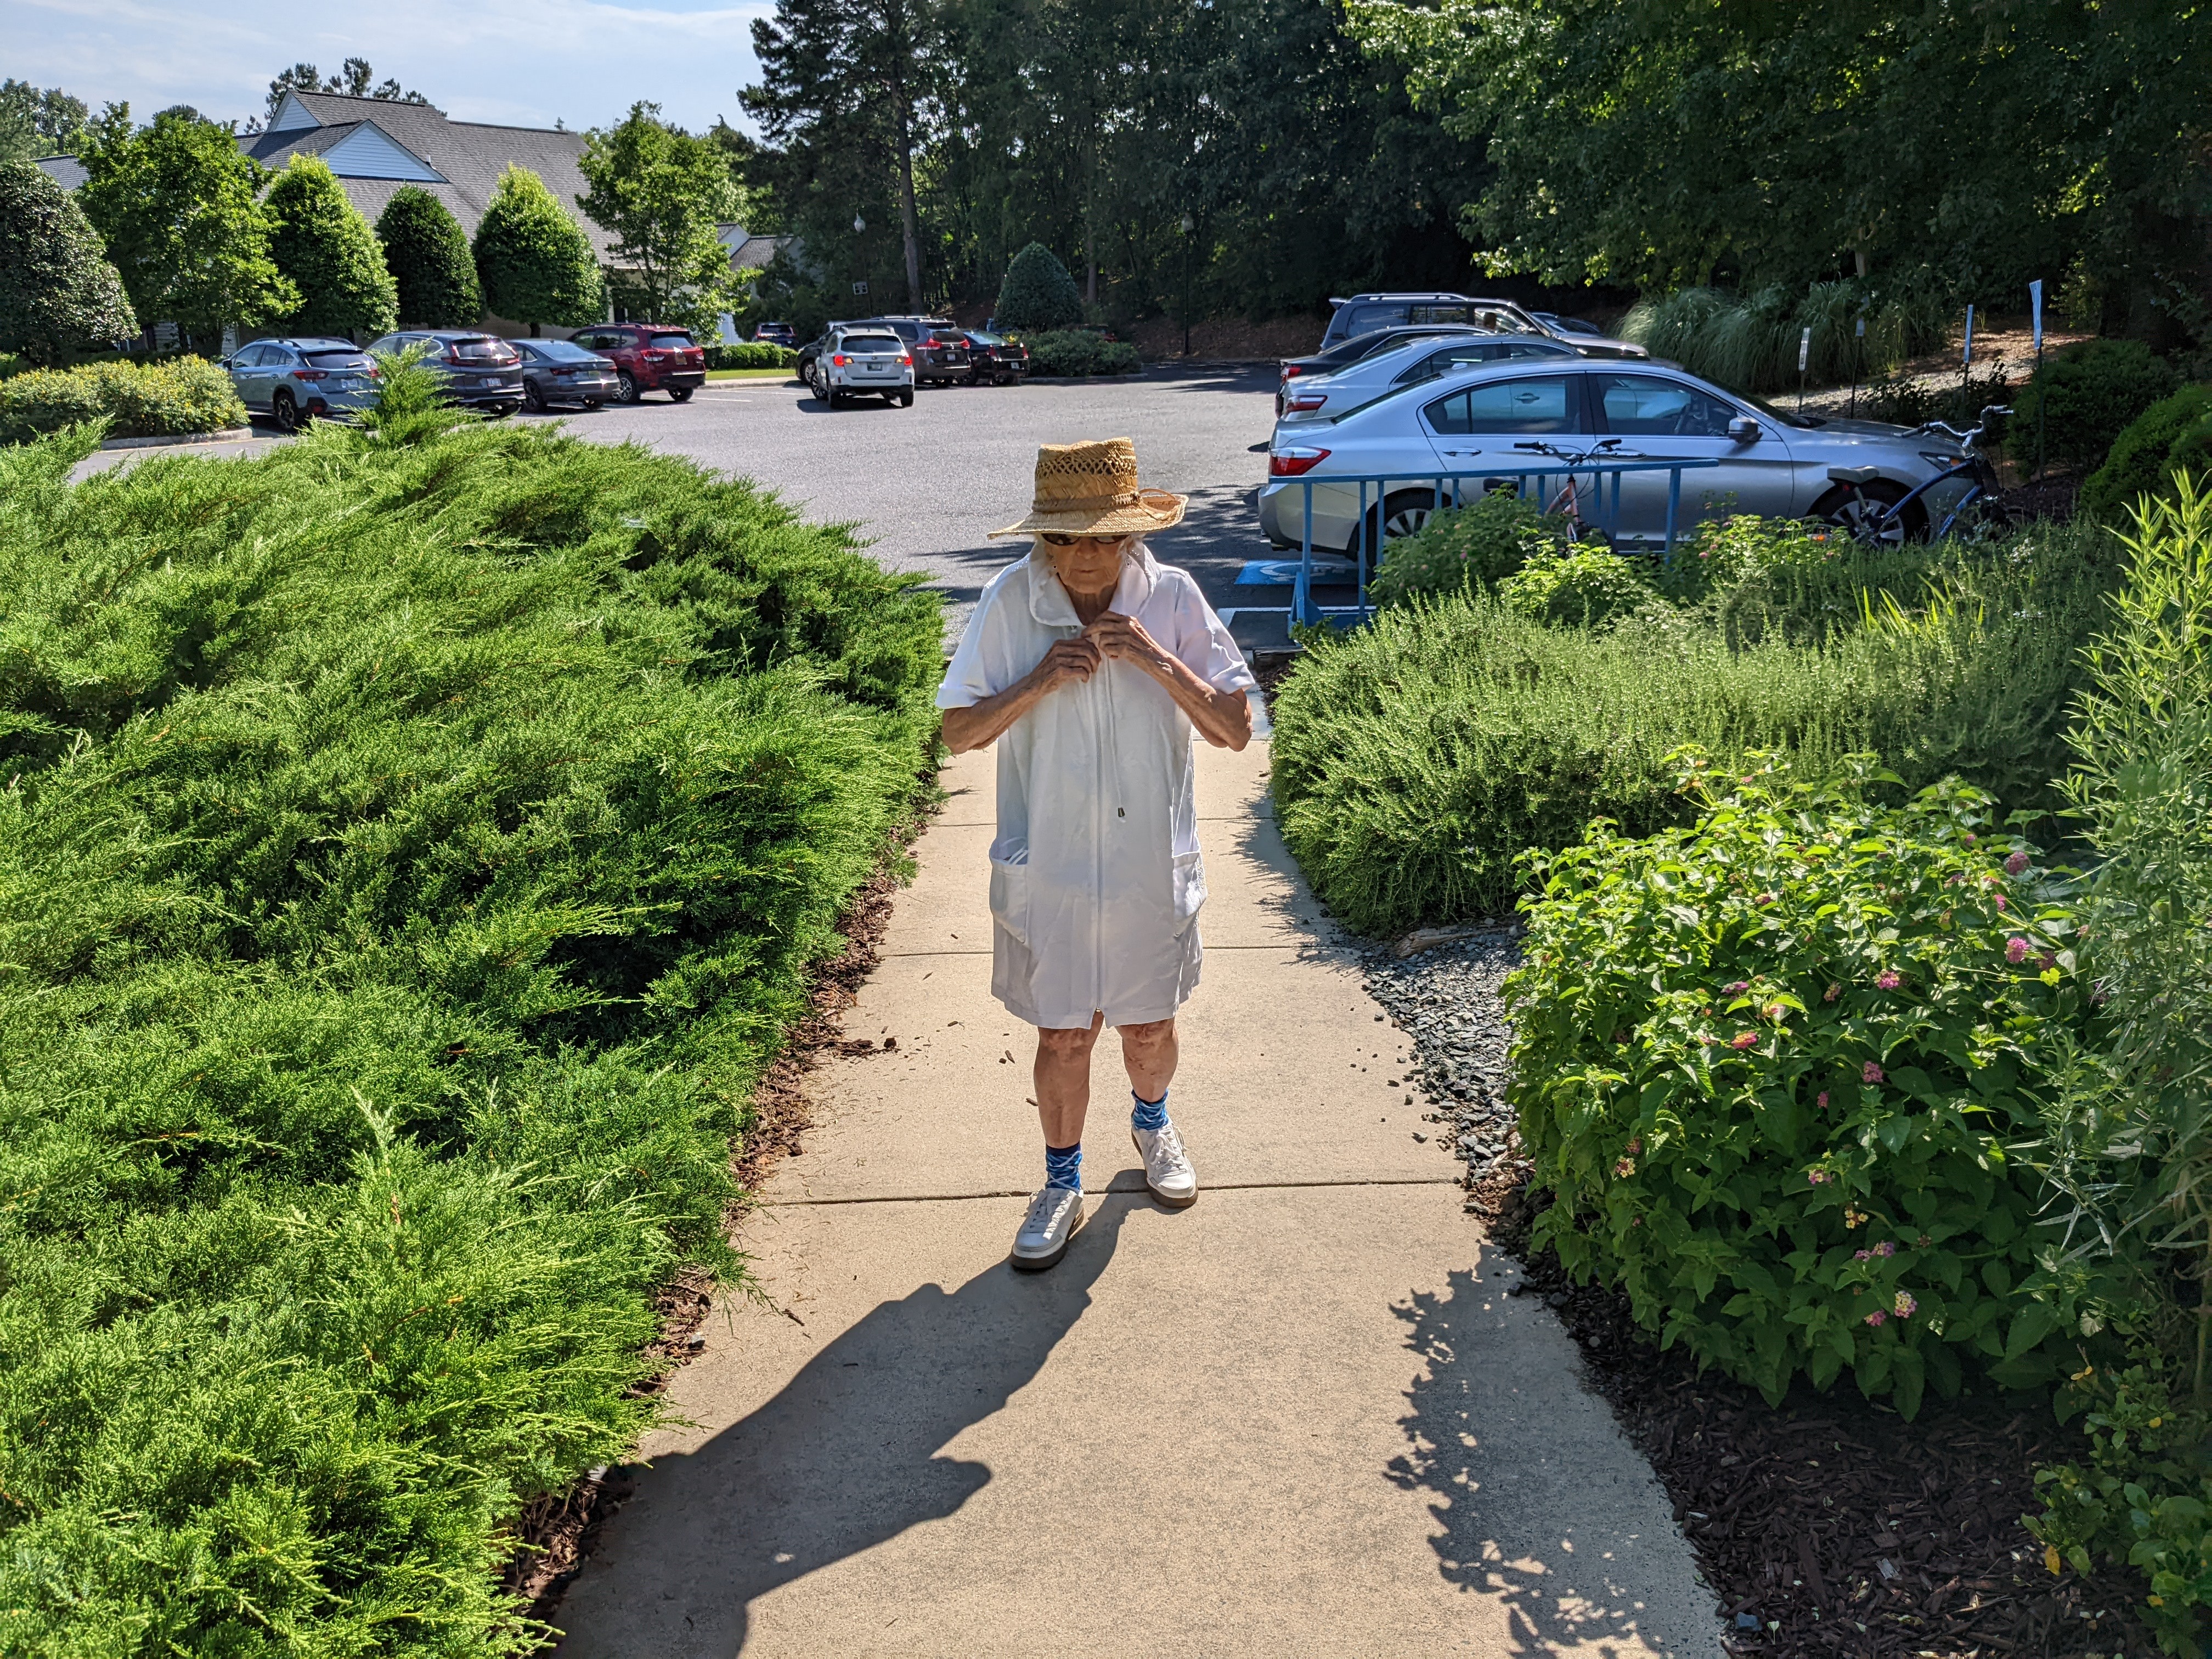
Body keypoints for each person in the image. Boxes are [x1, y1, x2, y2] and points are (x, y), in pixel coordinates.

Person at [938, 438, 1256, 1270]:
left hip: (1150, 861)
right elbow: (959, 732)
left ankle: (1153, 1124)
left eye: (1106, 538)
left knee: (1149, 1027)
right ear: (1043, 541)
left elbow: (1233, 729)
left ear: (1133, 535)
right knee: (1065, 1037)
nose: (1086, 557)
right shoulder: (1011, 601)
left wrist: (1154, 656)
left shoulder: (1173, 597)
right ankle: (1061, 1181)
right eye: (1066, 539)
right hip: (1054, 865)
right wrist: (1040, 680)